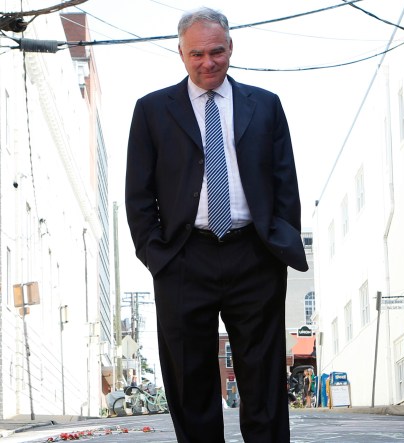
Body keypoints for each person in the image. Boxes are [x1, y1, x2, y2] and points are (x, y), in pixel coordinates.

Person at [125, 7, 308, 442]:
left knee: (262, 380)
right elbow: (138, 193)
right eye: (197, 54)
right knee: (190, 383)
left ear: (231, 48)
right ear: (181, 54)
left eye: (217, 51)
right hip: (184, 257)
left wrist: (277, 242)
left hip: (254, 255)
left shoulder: (264, 105)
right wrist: (156, 255)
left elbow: (286, 182)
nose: (208, 62)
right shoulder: (152, 111)